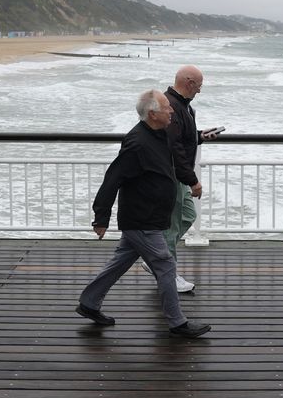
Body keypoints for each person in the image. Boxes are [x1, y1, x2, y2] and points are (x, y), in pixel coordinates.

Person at [76, 89, 211, 338]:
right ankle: (177, 323)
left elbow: (177, 162)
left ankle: (89, 303)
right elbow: (113, 178)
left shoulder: (162, 134)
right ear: (152, 114)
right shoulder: (137, 143)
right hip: (141, 219)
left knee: (121, 262)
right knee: (166, 265)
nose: (171, 111)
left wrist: (191, 181)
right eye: (166, 108)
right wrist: (101, 217)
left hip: (152, 217)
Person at [160, 64, 221, 293]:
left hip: (178, 176)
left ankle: (157, 258)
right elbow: (174, 149)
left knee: (188, 215)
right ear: (189, 83)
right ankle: (169, 274)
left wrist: (200, 137)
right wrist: (193, 180)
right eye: (199, 85)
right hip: (172, 177)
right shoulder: (172, 107)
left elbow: (182, 138)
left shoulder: (183, 106)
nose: (200, 91)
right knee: (172, 226)